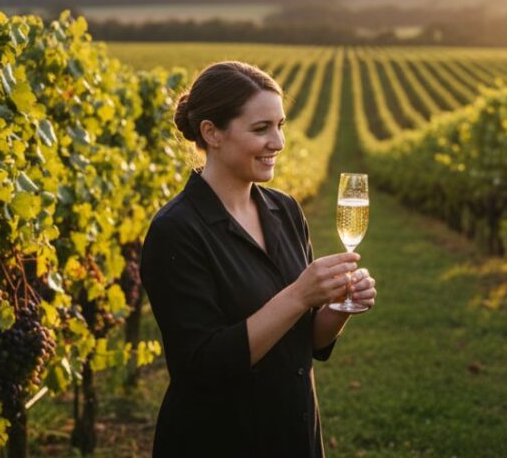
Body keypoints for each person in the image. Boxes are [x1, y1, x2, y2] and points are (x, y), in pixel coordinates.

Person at [140, 61, 377, 457]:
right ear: (211, 133)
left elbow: (308, 341)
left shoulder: (285, 211)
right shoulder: (176, 230)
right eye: (261, 128)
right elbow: (201, 367)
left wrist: (338, 305)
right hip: (218, 439)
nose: (278, 143)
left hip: (293, 433)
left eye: (280, 125)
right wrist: (300, 295)